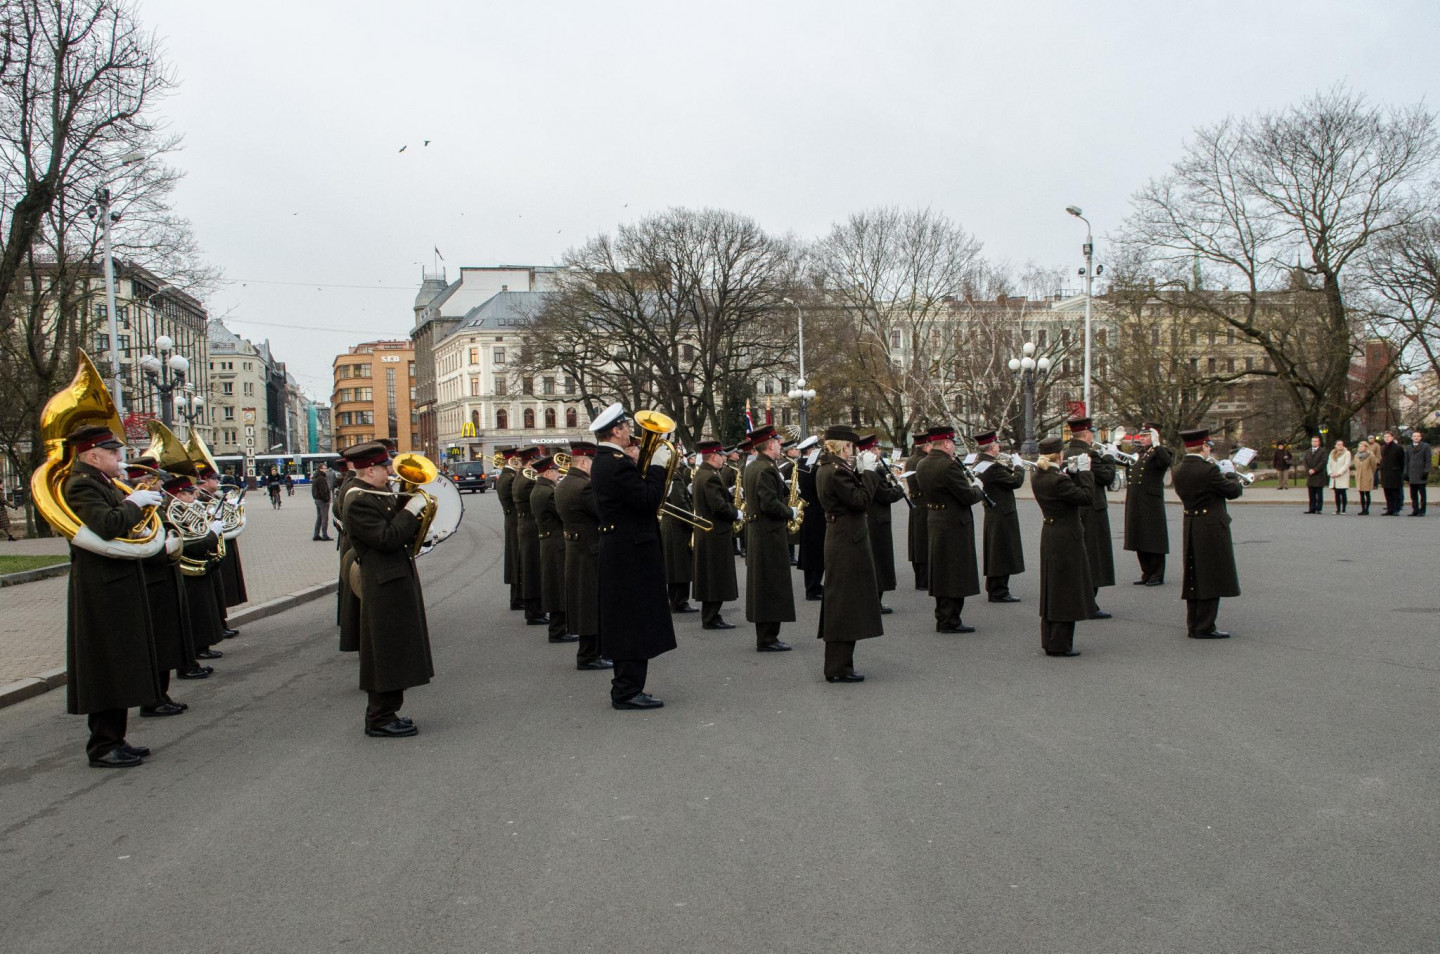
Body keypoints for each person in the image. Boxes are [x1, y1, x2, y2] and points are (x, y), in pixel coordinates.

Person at [60, 425, 164, 767]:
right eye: (112, 452)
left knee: (120, 663)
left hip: (116, 582)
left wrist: (138, 508)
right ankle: (102, 745)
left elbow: (125, 526)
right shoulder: (81, 485)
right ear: (93, 455)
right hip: (100, 588)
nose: (119, 457)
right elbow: (107, 525)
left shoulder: (103, 483)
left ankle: (115, 738)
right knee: (106, 665)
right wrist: (134, 502)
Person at [342, 441, 433, 737]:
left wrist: (418, 525)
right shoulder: (358, 500)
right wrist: (411, 512)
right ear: (370, 470)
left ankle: (388, 711)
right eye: (385, 468)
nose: (390, 473)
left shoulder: (375, 494)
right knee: (385, 652)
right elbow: (386, 538)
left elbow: (396, 530)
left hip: (393, 579)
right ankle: (379, 719)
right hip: (383, 584)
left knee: (396, 648)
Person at [589, 404, 674, 710]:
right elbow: (648, 499)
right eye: (626, 427)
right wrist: (658, 467)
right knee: (632, 621)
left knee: (630, 619)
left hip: (624, 548)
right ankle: (626, 691)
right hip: (629, 551)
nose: (630, 431)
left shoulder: (608, 460)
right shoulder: (615, 464)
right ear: (616, 430)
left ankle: (629, 687)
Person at [127, 460, 199, 715]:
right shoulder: (135, 504)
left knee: (167, 640)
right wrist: (164, 547)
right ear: (144, 480)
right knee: (159, 643)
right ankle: (153, 699)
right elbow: (136, 541)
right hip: (152, 579)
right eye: (155, 479)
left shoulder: (152, 503)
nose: (160, 484)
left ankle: (161, 694)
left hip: (164, 576)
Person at [814, 426, 884, 682]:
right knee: (844, 602)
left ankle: (841, 664)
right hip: (847, 539)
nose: (854, 451)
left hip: (843, 536)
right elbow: (860, 500)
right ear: (844, 446)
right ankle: (838, 667)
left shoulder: (831, 468)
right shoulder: (836, 471)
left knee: (845, 601)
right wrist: (869, 473)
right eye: (852, 447)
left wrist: (860, 472)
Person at [1173, 429, 1244, 639]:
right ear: (1204, 446)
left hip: (1191, 523)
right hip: (1210, 525)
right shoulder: (1208, 470)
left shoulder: (1178, 469)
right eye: (1208, 447)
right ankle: (1205, 626)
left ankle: (1194, 624)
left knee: (1194, 574)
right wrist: (1231, 473)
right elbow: (1233, 491)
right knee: (1211, 574)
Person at [1031, 436, 1097, 656]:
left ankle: (1050, 640)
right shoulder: (1058, 480)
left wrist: (1072, 474)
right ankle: (1060, 643)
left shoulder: (1039, 475)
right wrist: (1085, 473)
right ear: (1059, 455)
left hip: (1050, 534)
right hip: (1066, 536)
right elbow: (1086, 498)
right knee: (1065, 590)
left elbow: (1066, 494)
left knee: (1053, 588)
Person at [915, 424, 985, 633]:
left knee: (942, 571)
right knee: (955, 572)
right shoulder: (949, 466)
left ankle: (943, 615)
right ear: (946, 443)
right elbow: (967, 496)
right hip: (954, 524)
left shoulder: (922, 464)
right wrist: (978, 487)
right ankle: (950, 619)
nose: (953, 446)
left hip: (935, 519)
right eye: (952, 443)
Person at [555, 441, 611, 671]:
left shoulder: (563, 484)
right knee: (590, 603)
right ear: (585, 462)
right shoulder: (584, 486)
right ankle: (589, 656)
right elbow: (603, 513)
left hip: (575, 549)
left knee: (583, 601)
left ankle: (591, 653)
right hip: (589, 551)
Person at [740, 427, 795, 651]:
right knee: (772, 585)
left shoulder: (753, 466)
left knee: (764, 585)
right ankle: (768, 638)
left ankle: (767, 636)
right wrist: (790, 511)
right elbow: (769, 504)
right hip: (768, 533)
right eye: (778, 442)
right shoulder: (766, 469)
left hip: (759, 531)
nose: (781, 445)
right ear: (770, 444)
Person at [1062, 417, 1116, 617]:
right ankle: (1089, 603)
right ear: (1085, 433)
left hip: (1073, 509)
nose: (1093, 435)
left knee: (1077, 555)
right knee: (1093, 556)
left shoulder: (1066, 453)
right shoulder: (1090, 454)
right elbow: (1107, 478)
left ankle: (1076, 600)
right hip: (1092, 510)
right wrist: (1109, 457)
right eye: (1091, 432)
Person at [691, 439, 740, 631]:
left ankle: (711, 615)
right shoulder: (710, 476)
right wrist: (736, 513)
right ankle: (711, 617)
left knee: (711, 576)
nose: (723, 459)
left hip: (709, 532)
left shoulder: (703, 473)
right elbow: (718, 506)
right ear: (713, 456)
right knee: (716, 576)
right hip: (715, 533)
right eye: (721, 455)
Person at [972, 429, 1025, 603]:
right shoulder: (991, 466)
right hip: (1001, 512)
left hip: (994, 512)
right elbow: (1015, 481)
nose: (999, 446)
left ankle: (996, 588)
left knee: (996, 551)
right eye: (996, 444)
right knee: (1001, 552)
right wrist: (1018, 466)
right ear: (992, 447)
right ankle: (999, 590)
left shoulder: (982, 462)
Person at [855, 435, 906, 613]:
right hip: (878, 520)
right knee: (879, 562)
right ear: (870, 451)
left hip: (870, 519)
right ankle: (875, 602)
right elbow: (885, 496)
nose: (878, 452)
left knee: (873, 561)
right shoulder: (874, 471)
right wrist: (899, 488)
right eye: (876, 449)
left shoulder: (862, 468)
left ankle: (871, 601)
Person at [529, 455, 575, 644]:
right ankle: (558, 630)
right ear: (548, 473)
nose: (558, 474)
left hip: (549, 542)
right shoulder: (548, 492)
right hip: (556, 544)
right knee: (558, 587)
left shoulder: (539, 489)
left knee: (555, 585)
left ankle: (559, 628)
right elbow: (563, 514)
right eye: (556, 471)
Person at [1123, 423, 1173, 585]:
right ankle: (1146, 571)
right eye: (1141, 435)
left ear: (1154, 436)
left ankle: (1157, 573)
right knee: (1138, 535)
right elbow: (1125, 464)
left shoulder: (1160, 451)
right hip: (1135, 499)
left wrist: (1158, 445)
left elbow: (1165, 462)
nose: (1142, 438)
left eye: (1146, 436)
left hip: (1151, 501)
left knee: (1153, 536)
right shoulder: (1138, 452)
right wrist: (1115, 447)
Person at [511, 446, 547, 625]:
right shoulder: (529, 481)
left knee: (529, 569)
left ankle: (534, 610)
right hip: (532, 528)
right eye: (536, 462)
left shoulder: (519, 477)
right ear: (530, 462)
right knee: (533, 571)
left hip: (525, 526)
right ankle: (534, 612)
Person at [661, 452, 697, 613]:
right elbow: (680, 503)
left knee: (674, 564)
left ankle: (675, 599)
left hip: (670, 523)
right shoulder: (674, 477)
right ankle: (679, 601)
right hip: (677, 525)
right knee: (680, 564)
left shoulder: (666, 475)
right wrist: (692, 522)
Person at [795, 435, 826, 600]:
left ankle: (813, 585)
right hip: (816, 513)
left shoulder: (799, 466)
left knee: (809, 551)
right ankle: (813, 588)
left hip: (806, 512)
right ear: (811, 450)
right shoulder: (812, 469)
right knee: (817, 551)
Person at [494, 447, 523, 610]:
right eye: (519, 460)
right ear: (513, 460)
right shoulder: (510, 478)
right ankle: (518, 598)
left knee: (516, 560)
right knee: (518, 560)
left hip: (512, 520)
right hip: (515, 521)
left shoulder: (506, 475)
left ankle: (517, 597)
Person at [904, 432, 931, 589]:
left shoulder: (911, 460)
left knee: (917, 542)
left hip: (915, 502)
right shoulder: (923, 461)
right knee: (924, 543)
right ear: (926, 446)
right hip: (924, 503)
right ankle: (924, 579)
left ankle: (920, 578)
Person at [1378, 431, 1406, 515]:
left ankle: (1396, 509)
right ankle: (1389, 509)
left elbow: (1402, 461)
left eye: (1388, 436)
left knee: (1395, 492)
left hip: (1395, 473)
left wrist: (1401, 472)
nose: (1387, 438)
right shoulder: (1383, 448)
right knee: (1387, 492)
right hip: (1385, 473)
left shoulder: (1398, 448)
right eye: (1385, 437)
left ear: (1392, 437)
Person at [1405, 430, 1431, 516]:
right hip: (1412, 474)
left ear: (1420, 437)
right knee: (1413, 495)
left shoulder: (1426, 446)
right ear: (1411, 437)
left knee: (1422, 494)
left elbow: (1428, 460)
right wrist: (1405, 473)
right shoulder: (1408, 447)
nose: (1416, 437)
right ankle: (1415, 510)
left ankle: (1422, 510)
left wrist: (1426, 471)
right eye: (1414, 436)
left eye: (1418, 436)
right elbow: (1406, 461)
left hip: (1421, 473)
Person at [1302, 435, 1327, 514]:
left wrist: (1315, 470)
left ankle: (1318, 508)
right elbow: (1305, 462)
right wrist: (1308, 470)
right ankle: (1312, 508)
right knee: (1311, 494)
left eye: (1316, 441)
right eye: (1313, 441)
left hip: (1319, 475)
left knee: (1319, 494)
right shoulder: (1308, 451)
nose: (1314, 443)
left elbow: (1322, 462)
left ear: (1319, 442)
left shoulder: (1322, 451)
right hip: (1310, 476)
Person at [1353, 440, 1378, 515]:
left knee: (1367, 493)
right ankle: (1363, 509)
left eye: (1362, 446)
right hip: (1359, 476)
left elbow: (1374, 466)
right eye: (1359, 446)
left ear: (1366, 447)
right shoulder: (1356, 456)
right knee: (1361, 493)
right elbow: (1356, 465)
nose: (1360, 448)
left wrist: (1370, 473)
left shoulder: (1370, 455)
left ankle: (1367, 509)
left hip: (1367, 476)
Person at [1327, 440, 1352, 514]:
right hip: (1334, 476)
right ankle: (1338, 509)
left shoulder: (1347, 453)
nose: (1340, 446)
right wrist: (1330, 473)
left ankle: (1343, 509)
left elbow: (1346, 464)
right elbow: (1329, 464)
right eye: (1338, 444)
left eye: (1341, 444)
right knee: (1336, 493)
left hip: (1342, 476)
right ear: (1335, 445)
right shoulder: (1332, 453)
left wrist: (1339, 473)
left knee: (1342, 492)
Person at [311, 461, 333, 540]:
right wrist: (327, 499)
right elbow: (323, 491)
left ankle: (316, 534)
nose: (326, 470)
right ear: (320, 469)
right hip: (322, 501)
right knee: (324, 518)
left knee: (319, 517)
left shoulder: (315, 477)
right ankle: (325, 535)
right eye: (324, 468)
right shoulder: (321, 478)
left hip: (317, 499)